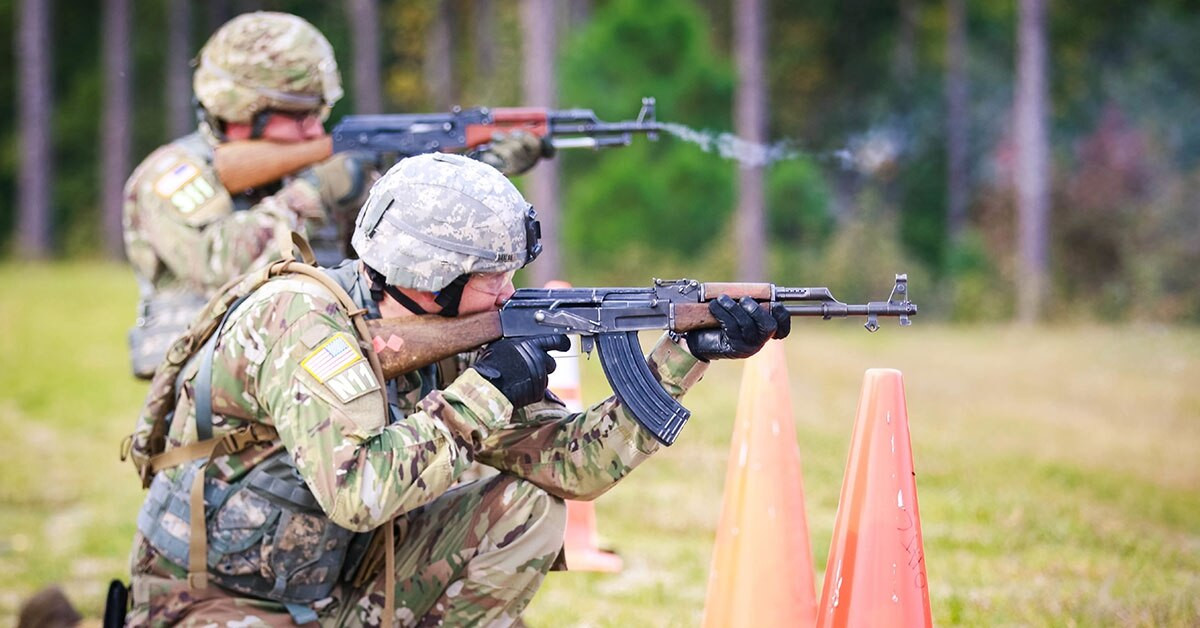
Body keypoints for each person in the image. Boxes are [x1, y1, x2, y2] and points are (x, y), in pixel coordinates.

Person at [123, 153, 789, 627]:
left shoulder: (455, 332)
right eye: (491, 274)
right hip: (213, 604)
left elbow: (573, 467)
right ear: (428, 272)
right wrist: (487, 390)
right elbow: (359, 492)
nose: (509, 290)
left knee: (531, 508)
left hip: (333, 590)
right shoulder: (303, 324)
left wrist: (682, 355)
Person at [123, 11, 545, 379]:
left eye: (319, 113)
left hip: (314, 357)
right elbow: (219, 261)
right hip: (212, 376)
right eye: (300, 115)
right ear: (241, 110)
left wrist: (480, 169)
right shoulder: (174, 176)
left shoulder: (309, 171)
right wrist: (316, 190)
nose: (314, 130)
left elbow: (407, 253)